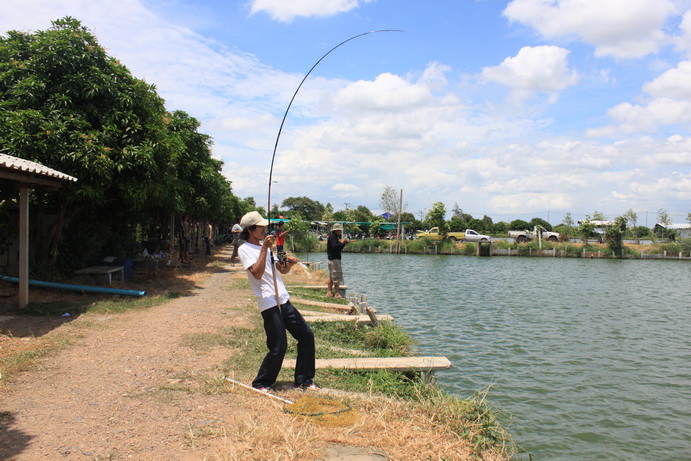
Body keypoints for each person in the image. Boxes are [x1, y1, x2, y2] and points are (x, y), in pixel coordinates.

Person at [237, 211, 317, 391]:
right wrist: (264, 248)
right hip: (268, 302)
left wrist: (289, 264)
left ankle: (304, 379)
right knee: (279, 345)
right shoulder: (245, 249)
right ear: (250, 229)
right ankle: (261, 383)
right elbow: (256, 274)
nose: (264, 230)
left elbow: (282, 270)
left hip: (283, 299)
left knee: (306, 335)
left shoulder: (267, 247)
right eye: (260, 227)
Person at [326, 223, 349, 298]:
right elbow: (336, 247)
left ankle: (329, 292)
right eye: (340, 230)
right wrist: (344, 243)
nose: (340, 232)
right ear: (337, 230)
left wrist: (342, 243)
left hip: (332, 259)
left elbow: (336, 246)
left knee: (331, 276)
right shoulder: (333, 237)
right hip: (335, 260)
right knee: (336, 276)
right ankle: (337, 293)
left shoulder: (333, 236)